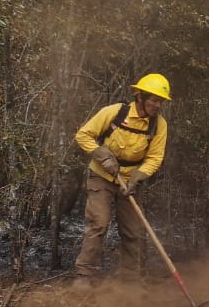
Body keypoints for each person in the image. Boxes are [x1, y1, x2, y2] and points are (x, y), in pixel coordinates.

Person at [72, 73, 171, 283]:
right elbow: (83, 135)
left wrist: (138, 177)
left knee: (133, 230)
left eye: (160, 101)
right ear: (140, 97)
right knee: (99, 223)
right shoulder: (116, 112)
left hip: (130, 182)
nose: (157, 105)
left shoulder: (159, 125)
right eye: (154, 100)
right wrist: (102, 155)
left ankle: (130, 279)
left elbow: (155, 157)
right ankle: (84, 275)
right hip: (101, 176)